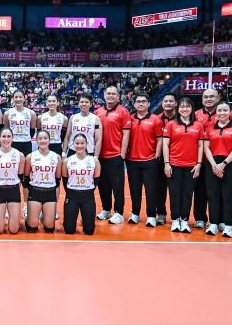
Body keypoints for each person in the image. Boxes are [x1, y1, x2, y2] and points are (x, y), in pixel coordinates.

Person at [192, 88, 232, 229]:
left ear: (217, 98)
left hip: (222, 161)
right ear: (202, 99)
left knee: (223, 192)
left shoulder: (230, 114)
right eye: (205, 97)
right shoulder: (196, 114)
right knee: (200, 191)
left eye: (211, 96)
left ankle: (221, 220)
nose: (208, 99)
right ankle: (200, 218)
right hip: (201, 160)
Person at [162, 97, 204, 233]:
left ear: (192, 109)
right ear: (177, 109)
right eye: (182, 106)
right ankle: (175, 219)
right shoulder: (171, 125)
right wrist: (167, 163)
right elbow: (165, 145)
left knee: (187, 193)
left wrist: (199, 164)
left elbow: (200, 146)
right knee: (174, 193)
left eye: (187, 106)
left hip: (191, 166)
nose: (184, 109)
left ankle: (184, 220)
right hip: (174, 164)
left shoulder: (198, 125)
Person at [203, 101, 232, 237]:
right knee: (212, 194)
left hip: (229, 164)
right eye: (219, 110)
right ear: (216, 112)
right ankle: (213, 223)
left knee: (228, 195)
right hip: (212, 163)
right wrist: (214, 165)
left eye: (225, 110)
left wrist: (223, 164)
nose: (222, 113)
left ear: (230, 112)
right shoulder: (210, 128)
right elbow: (206, 148)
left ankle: (228, 225)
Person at [95, 86, 132, 224]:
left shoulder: (123, 111)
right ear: (104, 95)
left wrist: (122, 153)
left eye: (113, 94)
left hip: (115, 155)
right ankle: (106, 209)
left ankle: (119, 213)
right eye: (108, 93)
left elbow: (126, 134)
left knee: (117, 186)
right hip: (100, 156)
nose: (110, 96)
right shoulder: (98, 111)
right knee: (103, 185)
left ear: (118, 96)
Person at [126, 93, 163, 227]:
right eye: (138, 101)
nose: (141, 103)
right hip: (132, 161)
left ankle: (151, 216)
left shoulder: (155, 119)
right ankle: (135, 214)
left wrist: (156, 157)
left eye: (143, 101)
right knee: (134, 189)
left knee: (151, 190)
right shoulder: (130, 119)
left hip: (150, 161)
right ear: (134, 104)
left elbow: (160, 140)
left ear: (148, 104)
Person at [62, 134, 101, 235]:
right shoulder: (67, 161)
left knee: (89, 231)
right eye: (77, 143)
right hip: (72, 196)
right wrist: (72, 190)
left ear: (87, 144)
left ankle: (86, 220)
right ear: (73, 144)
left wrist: (87, 189)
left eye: (82, 143)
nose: (80, 146)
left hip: (88, 196)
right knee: (69, 230)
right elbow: (65, 179)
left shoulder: (94, 161)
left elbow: (96, 179)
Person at [0, 128, 25, 234]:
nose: (6, 139)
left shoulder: (19, 155)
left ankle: (14, 218)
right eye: (3, 136)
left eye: (9, 136)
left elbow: (20, 176)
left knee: (13, 230)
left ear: (13, 138)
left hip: (13, 190)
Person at [24, 130, 61, 234]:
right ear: (36, 140)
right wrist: (26, 202)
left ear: (49, 140)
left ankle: (44, 213)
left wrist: (56, 200)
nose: (43, 141)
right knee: (32, 228)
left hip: (50, 192)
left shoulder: (56, 157)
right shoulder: (30, 157)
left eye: (45, 138)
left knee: (49, 229)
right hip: (35, 192)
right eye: (40, 138)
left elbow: (57, 180)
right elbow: (26, 179)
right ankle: (29, 214)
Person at [154, 93, 177, 225]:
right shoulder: (156, 119)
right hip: (160, 159)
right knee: (159, 188)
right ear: (162, 104)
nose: (168, 103)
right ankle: (161, 213)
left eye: (171, 101)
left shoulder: (181, 119)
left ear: (176, 103)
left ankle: (176, 216)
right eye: (165, 101)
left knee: (175, 189)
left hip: (176, 159)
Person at [4, 90, 37, 157]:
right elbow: (7, 130)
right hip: (12, 143)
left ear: (24, 98)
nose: (18, 99)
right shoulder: (7, 113)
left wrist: (24, 137)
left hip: (26, 144)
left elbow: (32, 130)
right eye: (16, 97)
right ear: (13, 98)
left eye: (20, 97)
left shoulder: (31, 113)